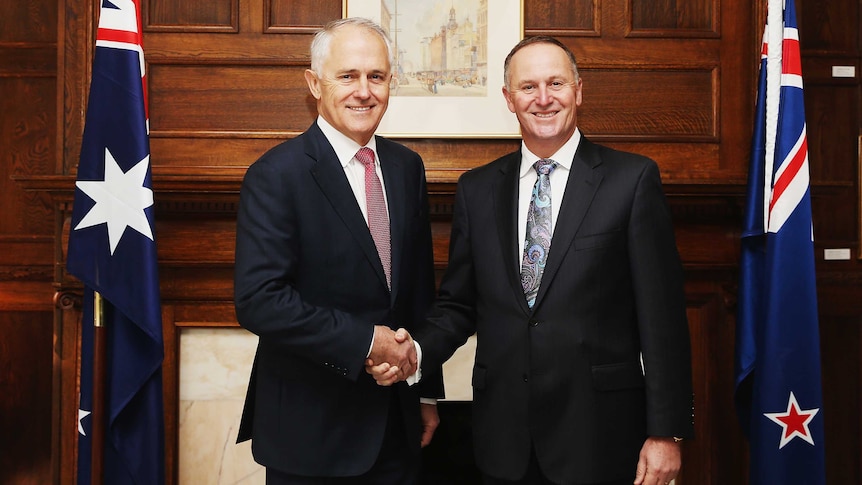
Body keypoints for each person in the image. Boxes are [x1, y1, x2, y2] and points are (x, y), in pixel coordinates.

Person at [368, 36, 694, 485]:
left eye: (556, 83)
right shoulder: (477, 189)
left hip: (600, 437)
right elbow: (459, 305)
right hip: (503, 441)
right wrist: (415, 353)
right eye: (528, 87)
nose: (543, 99)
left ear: (578, 90)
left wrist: (667, 433)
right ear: (509, 98)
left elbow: (664, 322)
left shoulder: (631, 180)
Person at [234, 17, 442, 484]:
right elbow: (260, 301)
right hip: (311, 436)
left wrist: (426, 391)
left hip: (396, 426)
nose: (363, 91)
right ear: (314, 83)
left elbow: (418, 292)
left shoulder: (407, 168)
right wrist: (368, 342)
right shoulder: (276, 175)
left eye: (377, 76)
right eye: (347, 76)